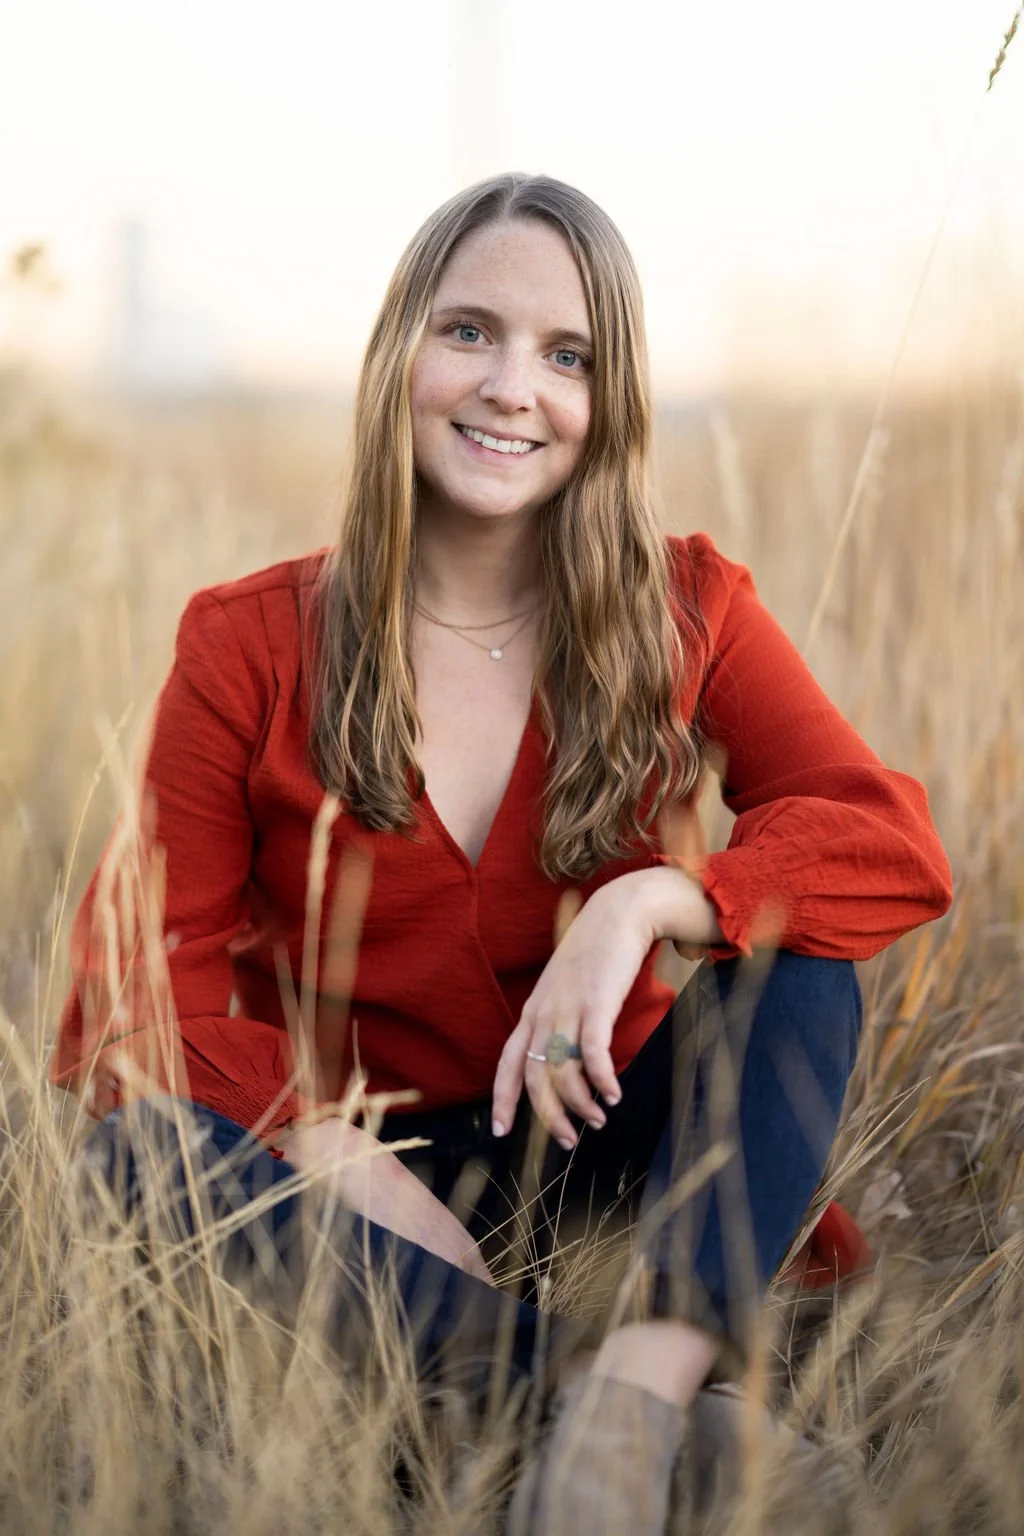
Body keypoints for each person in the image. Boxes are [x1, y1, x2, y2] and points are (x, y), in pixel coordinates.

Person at [51, 173, 953, 1533]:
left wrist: (657, 898)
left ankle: (631, 1403)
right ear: (400, 351)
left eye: (567, 355)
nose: (512, 387)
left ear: (610, 404)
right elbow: (126, 1004)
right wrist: (322, 1140)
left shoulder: (686, 606)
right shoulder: (246, 643)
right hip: (373, 1183)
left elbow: (885, 837)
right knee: (137, 1159)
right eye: (470, 330)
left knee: (801, 963)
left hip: (612, 1143)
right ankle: (625, 1414)